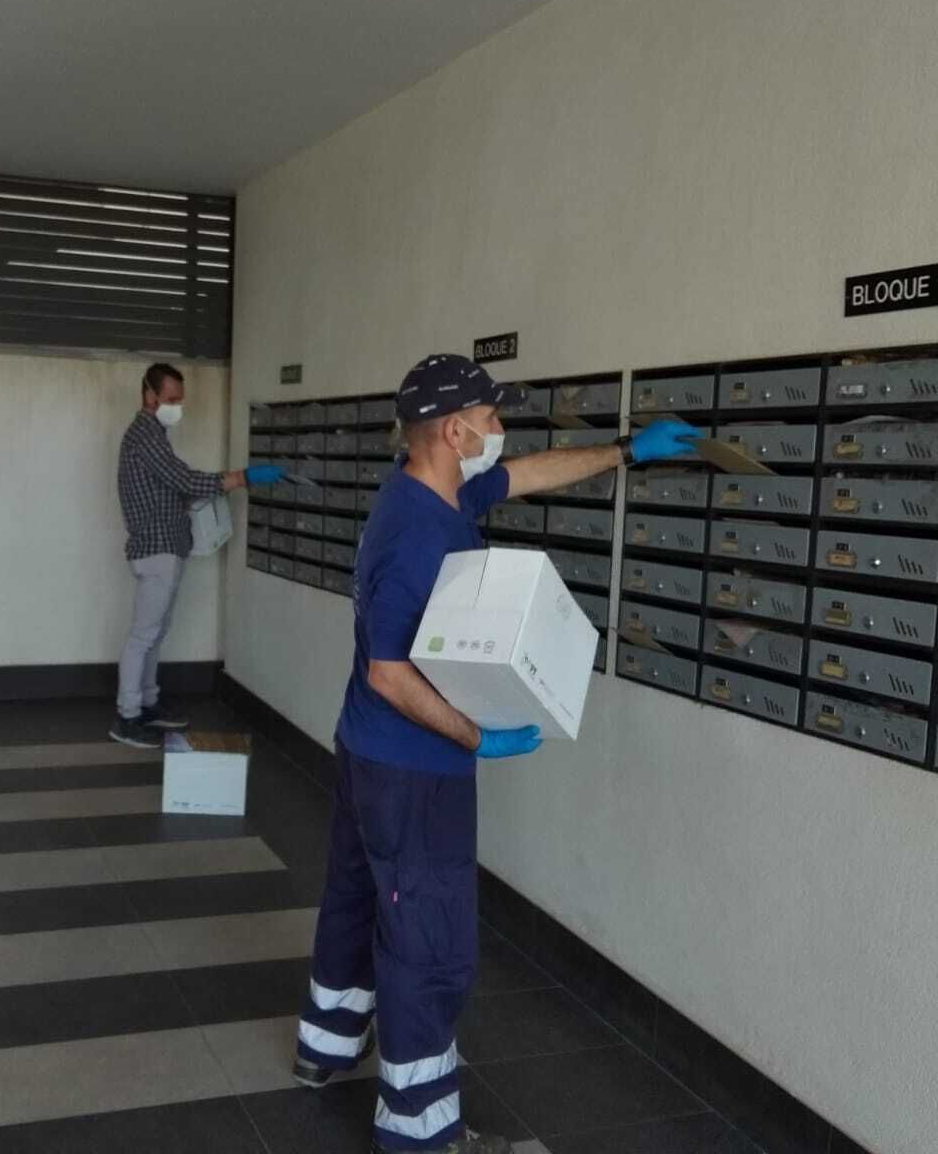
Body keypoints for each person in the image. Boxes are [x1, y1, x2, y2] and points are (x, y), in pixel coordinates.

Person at [292, 354, 700, 1154]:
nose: (499, 429)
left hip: (366, 759)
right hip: (413, 772)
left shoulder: (431, 492)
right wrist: (479, 736)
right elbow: (387, 672)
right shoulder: (415, 531)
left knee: (354, 905)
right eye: (491, 416)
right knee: (430, 943)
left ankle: (327, 1046)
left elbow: (522, 476)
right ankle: (423, 1130)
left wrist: (624, 451)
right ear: (454, 429)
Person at [112, 362, 285, 748]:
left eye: (180, 400)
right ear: (149, 395)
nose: (177, 407)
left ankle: (147, 704)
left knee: (154, 634)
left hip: (166, 547)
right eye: (171, 400)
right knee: (143, 636)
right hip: (156, 549)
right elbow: (185, 480)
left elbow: (176, 487)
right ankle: (127, 717)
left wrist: (208, 490)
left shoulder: (153, 435)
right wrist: (242, 477)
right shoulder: (145, 436)